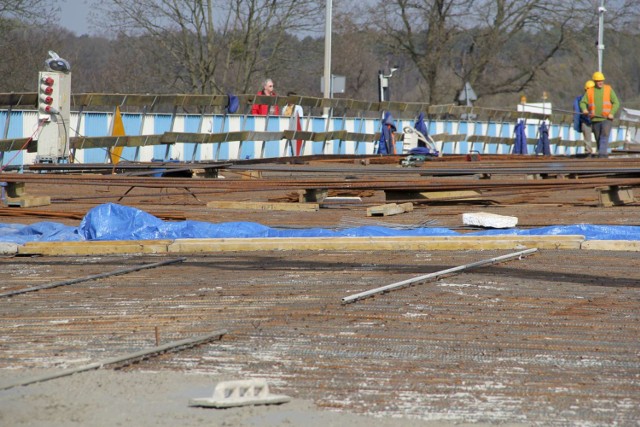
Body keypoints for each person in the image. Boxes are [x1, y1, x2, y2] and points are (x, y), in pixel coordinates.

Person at [579, 71, 620, 158]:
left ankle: (602, 155)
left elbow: (616, 103)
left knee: (604, 136)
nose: (600, 82)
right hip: (595, 119)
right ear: (594, 81)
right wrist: (585, 109)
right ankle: (602, 156)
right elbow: (582, 102)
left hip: (606, 119)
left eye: (601, 80)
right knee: (598, 139)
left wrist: (612, 113)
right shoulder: (590, 92)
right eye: (598, 81)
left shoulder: (608, 89)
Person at [574, 80, 594, 154]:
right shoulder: (580, 99)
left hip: (596, 121)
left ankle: (599, 152)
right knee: (587, 140)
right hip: (586, 121)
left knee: (599, 138)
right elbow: (577, 112)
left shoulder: (598, 99)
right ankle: (588, 152)